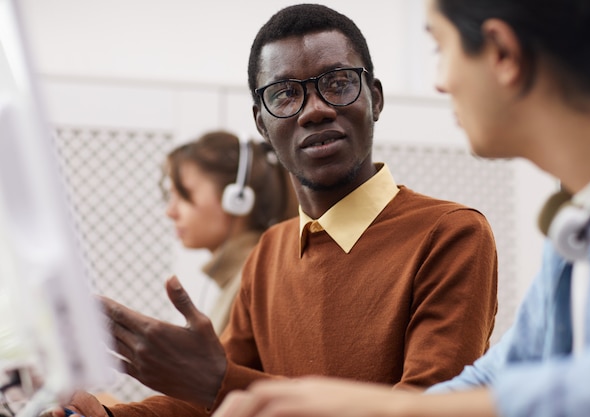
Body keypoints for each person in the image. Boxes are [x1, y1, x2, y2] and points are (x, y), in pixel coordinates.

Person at [53, 4, 498, 417]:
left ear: (375, 98)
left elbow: (426, 409)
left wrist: (215, 382)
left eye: (338, 83)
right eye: (285, 95)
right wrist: (105, 415)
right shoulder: (270, 252)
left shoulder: (451, 235)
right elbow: (210, 405)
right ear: (262, 123)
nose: (315, 109)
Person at [210, 0, 590, 416]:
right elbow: (499, 373)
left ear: (501, 52)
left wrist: (381, 409)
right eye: (286, 94)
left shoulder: (453, 231)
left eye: (440, 48)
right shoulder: (579, 226)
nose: (440, 83)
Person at [162, 130, 297, 335]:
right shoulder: (242, 278)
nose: (170, 212)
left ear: (236, 200)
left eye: (183, 194)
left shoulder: (255, 281)